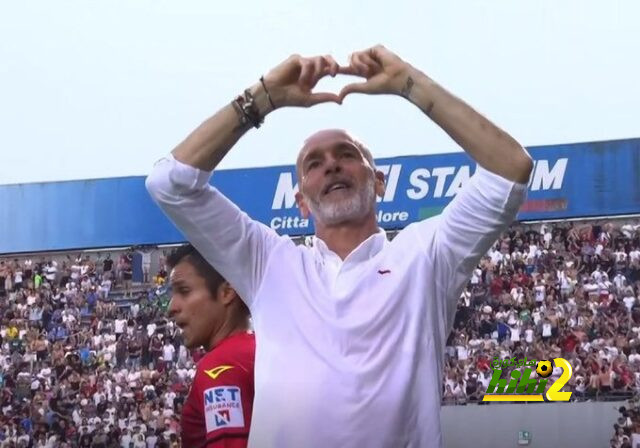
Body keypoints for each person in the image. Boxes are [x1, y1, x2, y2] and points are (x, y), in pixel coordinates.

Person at [146, 45, 533, 448]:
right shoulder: (268, 263)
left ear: (379, 182)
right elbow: (170, 185)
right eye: (314, 163)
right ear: (300, 200)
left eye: (346, 155)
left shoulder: (426, 256)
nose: (331, 165)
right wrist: (263, 99)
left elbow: (510, 171)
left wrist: (409, 84)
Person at [165, 244, 255, 447]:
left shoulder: (220, 367)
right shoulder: (257, 351)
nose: (171, 307)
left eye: (184, 291)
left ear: (226, 292)